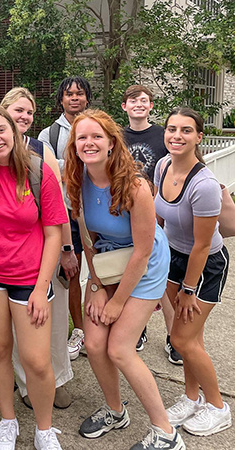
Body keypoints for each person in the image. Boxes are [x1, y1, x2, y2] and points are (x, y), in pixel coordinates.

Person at [64, 109, 185, 449]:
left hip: (144, 266)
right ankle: (116, 411)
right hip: (106, 264)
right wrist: (98, 287)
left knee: (119, 348)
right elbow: (87, 240)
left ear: (112, 143)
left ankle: (166, 433)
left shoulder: (135, 187)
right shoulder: (75, 180)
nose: (88, 143)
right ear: (74, 146)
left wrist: (118, 301)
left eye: (96, 136)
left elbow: (143, 252)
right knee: (93, 343)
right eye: (81, 138)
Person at [0, 87, 77, 409]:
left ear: (13, 131)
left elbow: (53, 231)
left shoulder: (39, 170)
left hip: (29, 277)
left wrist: (42, 288)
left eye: (1, 130)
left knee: (37, 360)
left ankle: (44, 429)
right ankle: (8, 421)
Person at [155, 107, 232, 436]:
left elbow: (202, 245)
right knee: (189, 338)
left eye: (186, 130)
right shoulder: (161, 166)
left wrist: (188, 290)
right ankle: (191, 397)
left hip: (206, 265)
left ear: (199, 137)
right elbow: (160, 219)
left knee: (182, 338)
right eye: (171, 129)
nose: (176, 135)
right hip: (174, 257)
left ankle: (217, 406)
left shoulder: (204, 185)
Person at [121, 84, 180, 364]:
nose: (139, 104)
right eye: (133, 100)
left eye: (144, 100)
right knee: (133, 274)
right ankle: (139, 330)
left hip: (158, 214)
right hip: (125, 217)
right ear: (125, 107)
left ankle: (174, 338)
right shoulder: (117, 136)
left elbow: (172, 170)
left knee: (166, 282)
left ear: (151, 105)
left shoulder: (161, 135)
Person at [38, 76, 92, 360]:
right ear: (61, 99)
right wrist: (83, 162)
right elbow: (49, 168)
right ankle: (79, 330)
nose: (74, 98)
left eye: (79, 94)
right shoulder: (51, 134)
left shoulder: (96, 126)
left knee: (101, 271)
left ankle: (102, 328)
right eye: (69, 94)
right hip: (66, 213)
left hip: (96, 211)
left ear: (87, 98)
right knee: (70, 275)